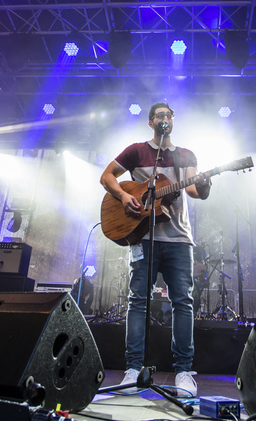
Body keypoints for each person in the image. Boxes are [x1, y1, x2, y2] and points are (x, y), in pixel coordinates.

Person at [99, 102, 211, 397]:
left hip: (179, 239)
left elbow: (193, 190)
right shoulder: (137, 151)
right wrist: (124, 195)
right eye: (159, 115)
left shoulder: (185, 155)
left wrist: (206, 183)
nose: (165, 119)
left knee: (182, 302)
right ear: (151, 122)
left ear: (173, 120)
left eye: (169, 115)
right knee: (138, 301)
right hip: (142, 237)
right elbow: (107, 176)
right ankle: (133, 369)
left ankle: (184, 371)